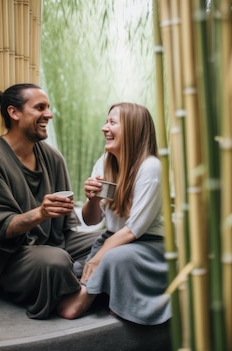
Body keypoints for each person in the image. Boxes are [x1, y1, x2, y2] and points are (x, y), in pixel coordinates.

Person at [0, 83, 100, 319]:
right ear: (14, 113)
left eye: (48, 108)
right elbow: (2, 229)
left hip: (57, 245)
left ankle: (79, 285)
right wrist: (40, 213)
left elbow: (67, 227)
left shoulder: (53, 158)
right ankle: (88, 281)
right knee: (56, 262)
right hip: (14, 258)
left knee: (109, 241)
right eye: (40, 108)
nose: (48, 114)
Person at [56, 102, 172, 326]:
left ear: (131, 128)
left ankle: (96, 295)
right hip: (112, 239)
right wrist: (93, 198)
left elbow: (133, 230)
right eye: (105, 121)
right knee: (83, 265)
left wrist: (99, 258)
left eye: (112, 122)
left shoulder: (151, 168)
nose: (104, 127)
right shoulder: (104, 163)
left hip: (149, 245)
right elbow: (92, 220)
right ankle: (108, 291)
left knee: (113, 259)